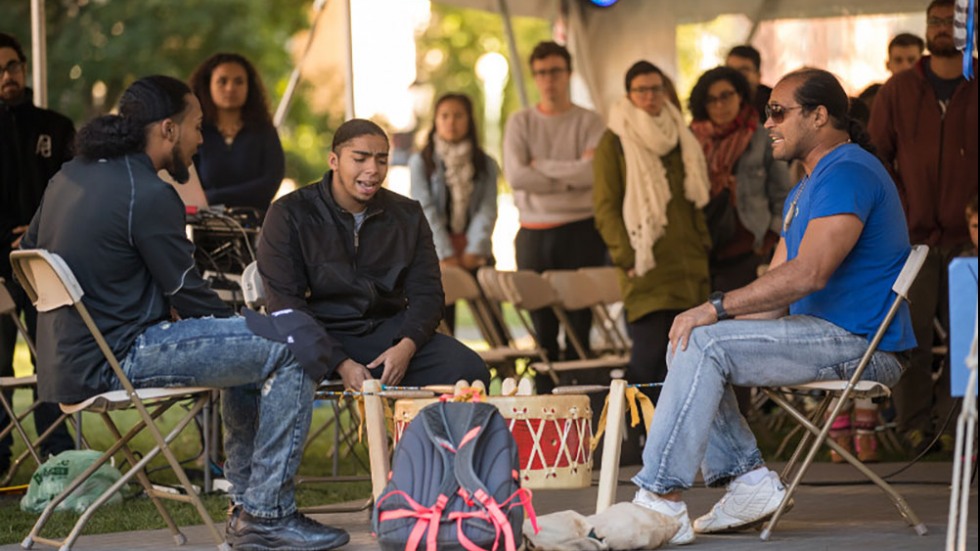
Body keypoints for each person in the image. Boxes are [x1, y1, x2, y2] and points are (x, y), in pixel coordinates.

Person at [21, 75, 348, 550]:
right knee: (291, 343)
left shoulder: (67, 176)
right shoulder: (148, 193)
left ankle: (248, 506)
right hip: (119, 357)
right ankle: (267, 512)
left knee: (253, 346)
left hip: (62, 365)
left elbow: (28, 257)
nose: (201, 139)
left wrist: (239, 332)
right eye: (197, 126)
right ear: (168, 130)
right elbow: (188, 294)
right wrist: (248, 325)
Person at [628, 68, 916, 545]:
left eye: (779, 112)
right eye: (767, 113)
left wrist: (714, 308)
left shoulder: (848, 170)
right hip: (826, 333)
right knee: (694, 341)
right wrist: (711, 322)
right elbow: (774, 296)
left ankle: (659, 498)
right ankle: (748, 483)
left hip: (863, 342)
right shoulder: (806, 187)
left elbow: (810, 273)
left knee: (704, 338)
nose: (768, 123)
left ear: (819, 115)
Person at [257, 118, 489, 392]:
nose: (373, 170)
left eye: (381, 160)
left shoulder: (407, 215)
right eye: (360, 159)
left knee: (470, 372)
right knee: (286, 362)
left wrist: (407, 346)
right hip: (321, 336)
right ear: (334, 160)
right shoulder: (289, 214)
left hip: (389, 336)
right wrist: (340, 363)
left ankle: (418, 436)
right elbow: (285, 304)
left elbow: (428, 295)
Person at [868, 0, 977, 453]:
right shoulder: (897, 90)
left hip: (971, 238)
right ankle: (912, 425)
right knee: (908, 334)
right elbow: (876, 157)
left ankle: (956, 426)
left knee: (967, 340)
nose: (941, 28)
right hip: (912, 239)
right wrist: (902, 205)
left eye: (952, 21)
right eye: (934, 20)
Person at [592, 61, 711, 404]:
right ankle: (638, 439)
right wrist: (627, 256)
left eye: (656, 88)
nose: (650, 97)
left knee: (686, 360)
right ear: (629, 94)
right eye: (641, 90)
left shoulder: (678, 133)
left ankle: (676, 441)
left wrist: (703, 244)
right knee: (647, 360)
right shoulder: (614, 141)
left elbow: (693, 199)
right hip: (645, 266)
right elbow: (606, 207)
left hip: (688, 264)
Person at [502, 41, 607, 371]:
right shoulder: (521, 122)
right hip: (533, 234)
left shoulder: (590, 121)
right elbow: (517, 177)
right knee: (543, 332)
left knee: (580, 330)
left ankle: (583, 406)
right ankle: (544, 409)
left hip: (582, 231)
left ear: (568, 74)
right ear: (535, 77)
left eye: (555, 71)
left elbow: (593, 173)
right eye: (541, 73)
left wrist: (541, 166)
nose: (549, 79)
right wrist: (572, 175)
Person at [1, 32, 75, 474]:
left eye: (12, 65)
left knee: (54, 355)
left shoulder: (56, 126)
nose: (7, 75)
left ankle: (58, 449)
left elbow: (73, 190)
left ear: (24, 68)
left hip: (47, 258)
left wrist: (41, 227)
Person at [688, 66, 791, 292]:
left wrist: (769, 237)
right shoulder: (690, 139)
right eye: (711, 100)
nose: (720, 105)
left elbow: (783, 193)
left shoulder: (761, 136)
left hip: (749, 246)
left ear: (741, 95)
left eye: (726, 96)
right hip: (701, 248)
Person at [409, 93, 499, 331]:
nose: (451, 122)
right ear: (435, 120)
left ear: (469, 120)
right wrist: (445, 254)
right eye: (445, 116)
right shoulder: (421, 162)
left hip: (475, 251)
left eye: (458, 115)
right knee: (440, 326)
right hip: (435, 255)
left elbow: (487, 208)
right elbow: (424, 208)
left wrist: (473, 249)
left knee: (495, 325)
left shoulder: (486, 162)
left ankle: (504, 367)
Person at [189, 52, 285, 213]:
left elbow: (270, 183)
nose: (230, 88)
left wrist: (211, 197)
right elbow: (187, 186)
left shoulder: (264, 130)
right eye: (222, 81)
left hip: (256, 227)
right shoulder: (195, 133)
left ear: (249, 87)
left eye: (239, 82)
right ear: (208, 85)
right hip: (202, 226)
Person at [858, 32, 925, 109]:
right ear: (888, 65)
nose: (905, 67)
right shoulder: (871, 98)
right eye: (898, 60)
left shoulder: (933, 96)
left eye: (912, 60)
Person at [725, 45, 771, 121]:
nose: (735, 77)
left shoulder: (774, 107)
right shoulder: (716, 106)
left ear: (758, 76)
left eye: (743, 71)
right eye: (730, 71)